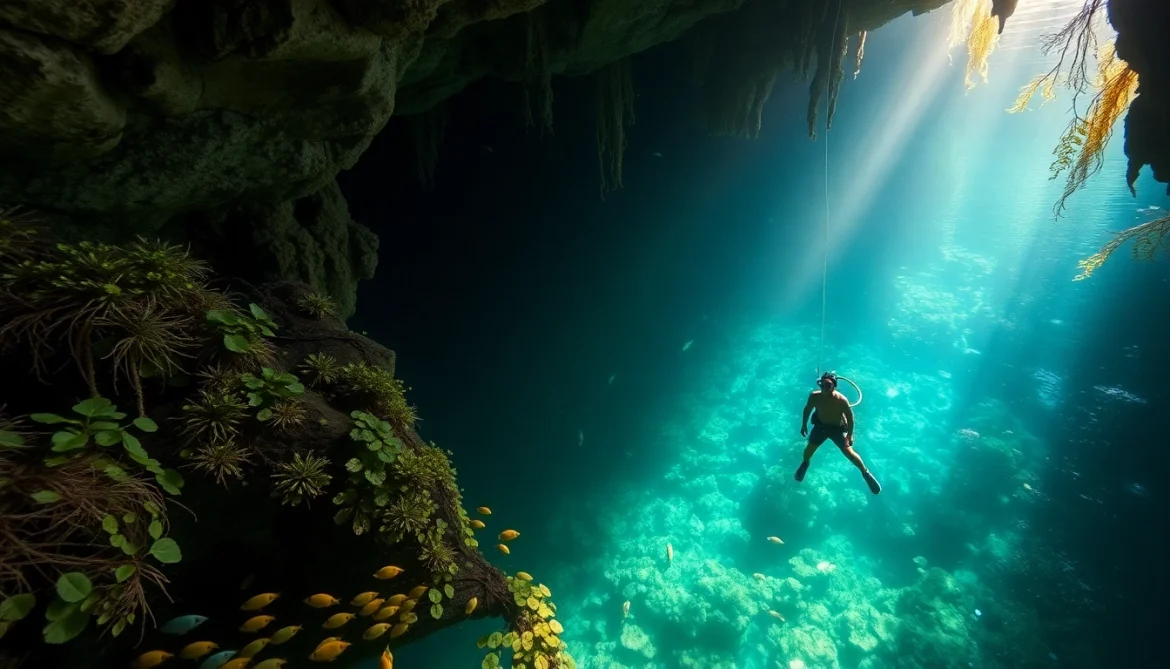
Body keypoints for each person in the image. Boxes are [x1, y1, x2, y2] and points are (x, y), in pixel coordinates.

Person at [794, 372, 882, 494]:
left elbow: (850, 418)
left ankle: (865, 472)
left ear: (834, 386)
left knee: (849, 452)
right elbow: (807, 409)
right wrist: (804, 424)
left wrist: (850, 435)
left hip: (837, 429)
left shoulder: (841, 400)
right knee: (808, 450)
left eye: (828, 385)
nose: (825, 388)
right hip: (821, 427)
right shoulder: (814, 396)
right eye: (822, 385)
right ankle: (805, 463)